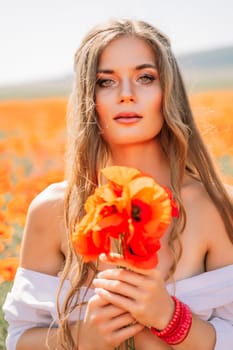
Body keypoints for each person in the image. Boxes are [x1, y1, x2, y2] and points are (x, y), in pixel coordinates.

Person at [3, 18, 233, 350]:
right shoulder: (51, 210)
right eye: (105, 82)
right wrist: (83, 338)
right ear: (88, 97)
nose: (126, 95)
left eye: (145, 78)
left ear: (168, 91)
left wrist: (172, 320)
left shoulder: (215, 206)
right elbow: (19, 340)